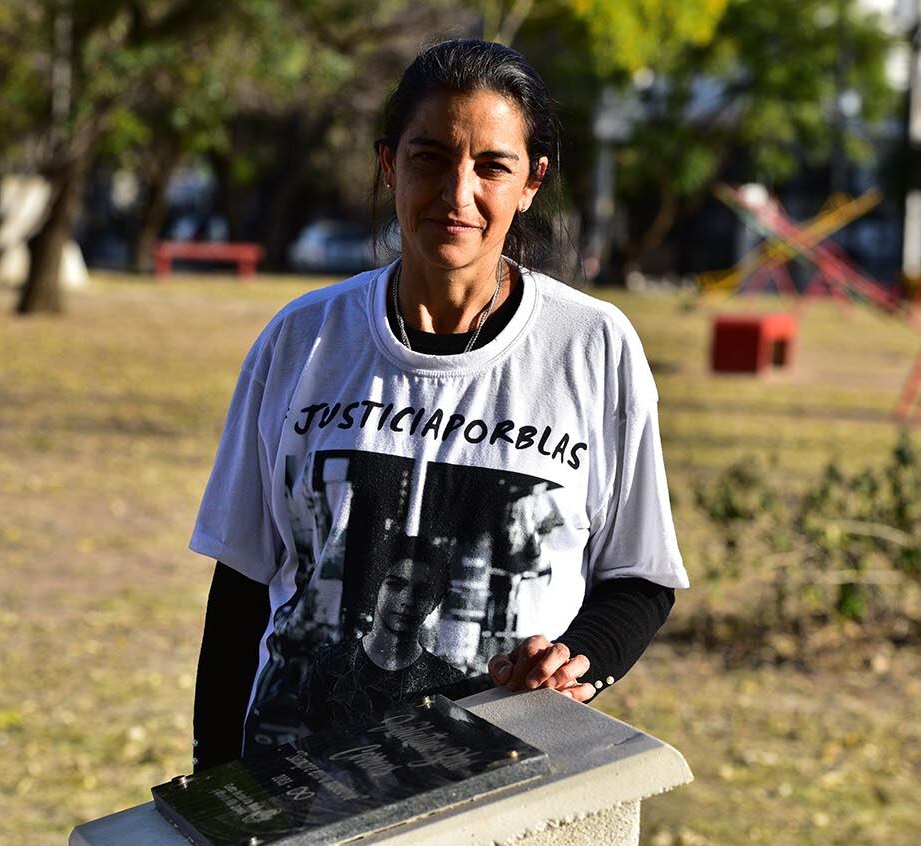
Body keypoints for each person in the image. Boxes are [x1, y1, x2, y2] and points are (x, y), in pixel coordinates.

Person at [189, 39, 688, 771]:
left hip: (502, 786)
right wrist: (213, 783)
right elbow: (240, 586)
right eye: (429, 157)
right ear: (389, 164)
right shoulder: (302, 340)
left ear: (532, 182)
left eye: (492, 165)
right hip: (293, 786)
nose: (457, 192)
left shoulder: (592, 347)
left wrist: (573, 660)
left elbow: (639, 576)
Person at [300, 538, 465, 730]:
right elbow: (305, 741)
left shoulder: (448, 682)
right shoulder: (329, 662)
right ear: (374, 589)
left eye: (422, 591)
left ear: (434, 603)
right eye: (395, 585)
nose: (407, 600)